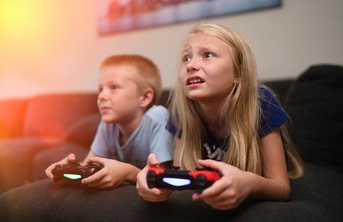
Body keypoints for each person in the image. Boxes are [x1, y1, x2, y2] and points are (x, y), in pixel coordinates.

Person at [136, 23, 304, 210]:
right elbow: (183, 177)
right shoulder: (181, 110)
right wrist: (153, 181)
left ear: (238, 73)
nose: (191, 65)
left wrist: (249, 184)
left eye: (207, 55)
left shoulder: (261, 102)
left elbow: (281, 187)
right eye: (186, 58)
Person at [45, 54, 173, 189]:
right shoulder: (108, 124)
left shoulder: (158, 118)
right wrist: (67, 169)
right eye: (101, 89)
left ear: (144, 98)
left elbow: (160, 178)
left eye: (114, 87)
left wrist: (128, 173)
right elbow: (90, 165)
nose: (101, 96)